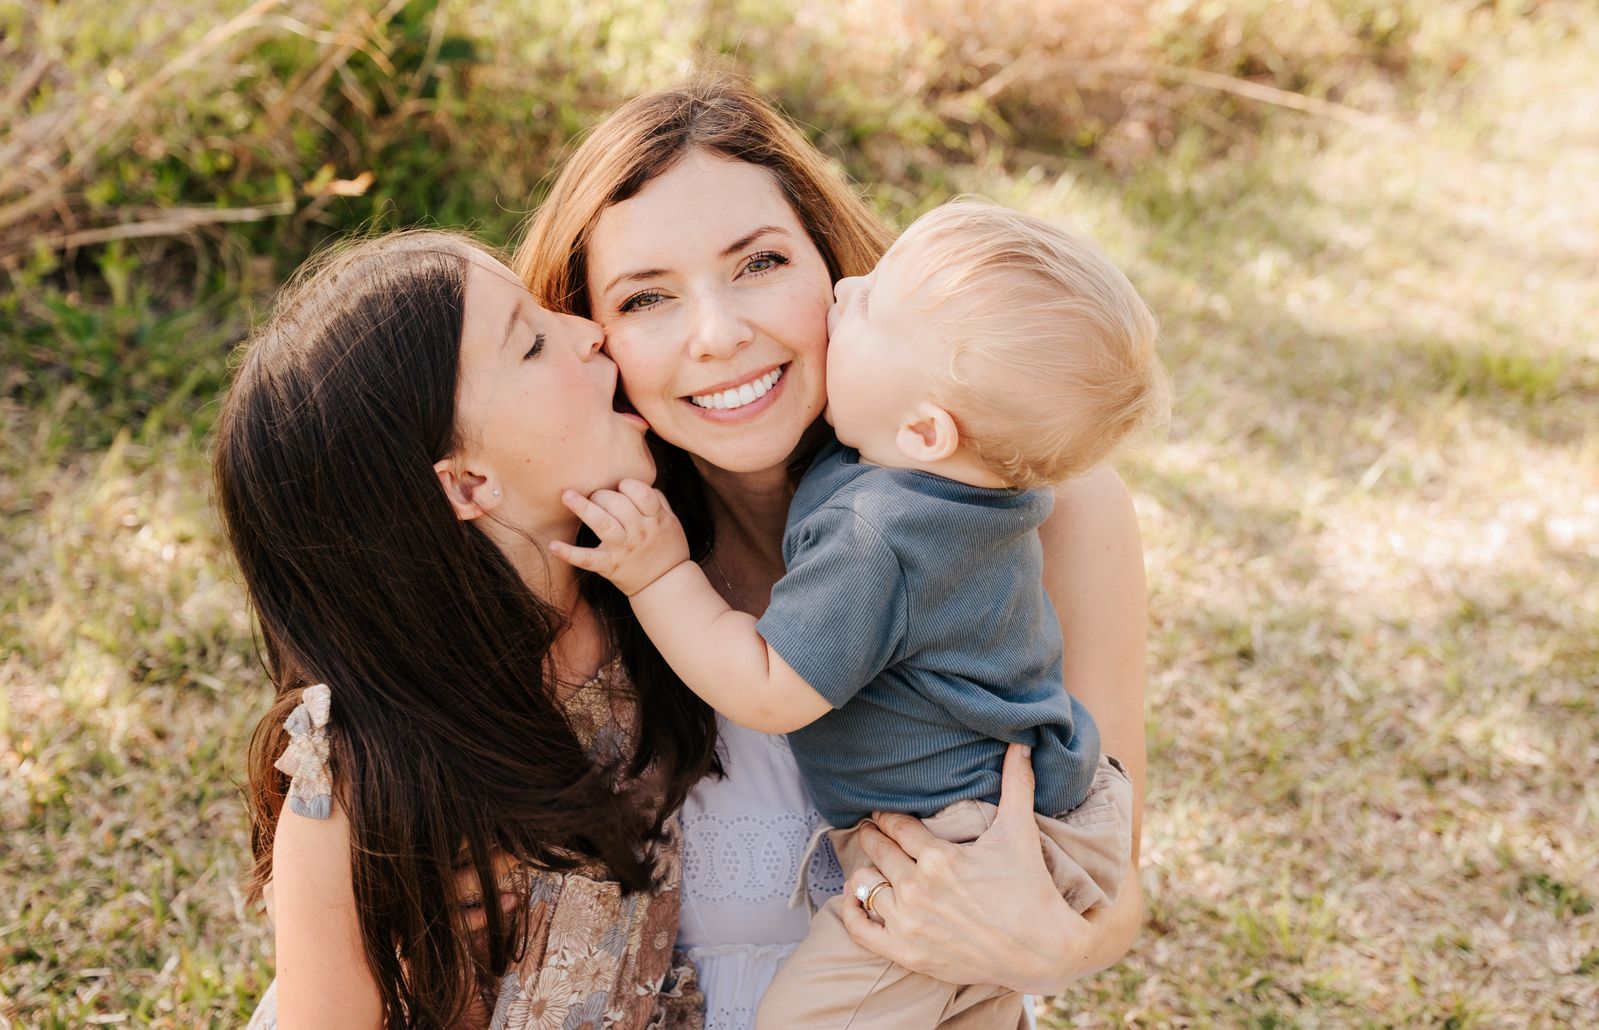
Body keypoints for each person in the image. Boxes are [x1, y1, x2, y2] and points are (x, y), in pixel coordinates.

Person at [514, 75, 1152, 1029]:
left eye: (759, 263)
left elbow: (1106, 858)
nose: (720, 335)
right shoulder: (580, 545)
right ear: (588, 335)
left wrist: (1065, 945)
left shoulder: (1051, 512)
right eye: (646, 296)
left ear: (831, 260)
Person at [223, 232, 718, 1029]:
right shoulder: (360, 778)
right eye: (531, 341)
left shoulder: (646, 599)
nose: (590, 330)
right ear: (468, 483)